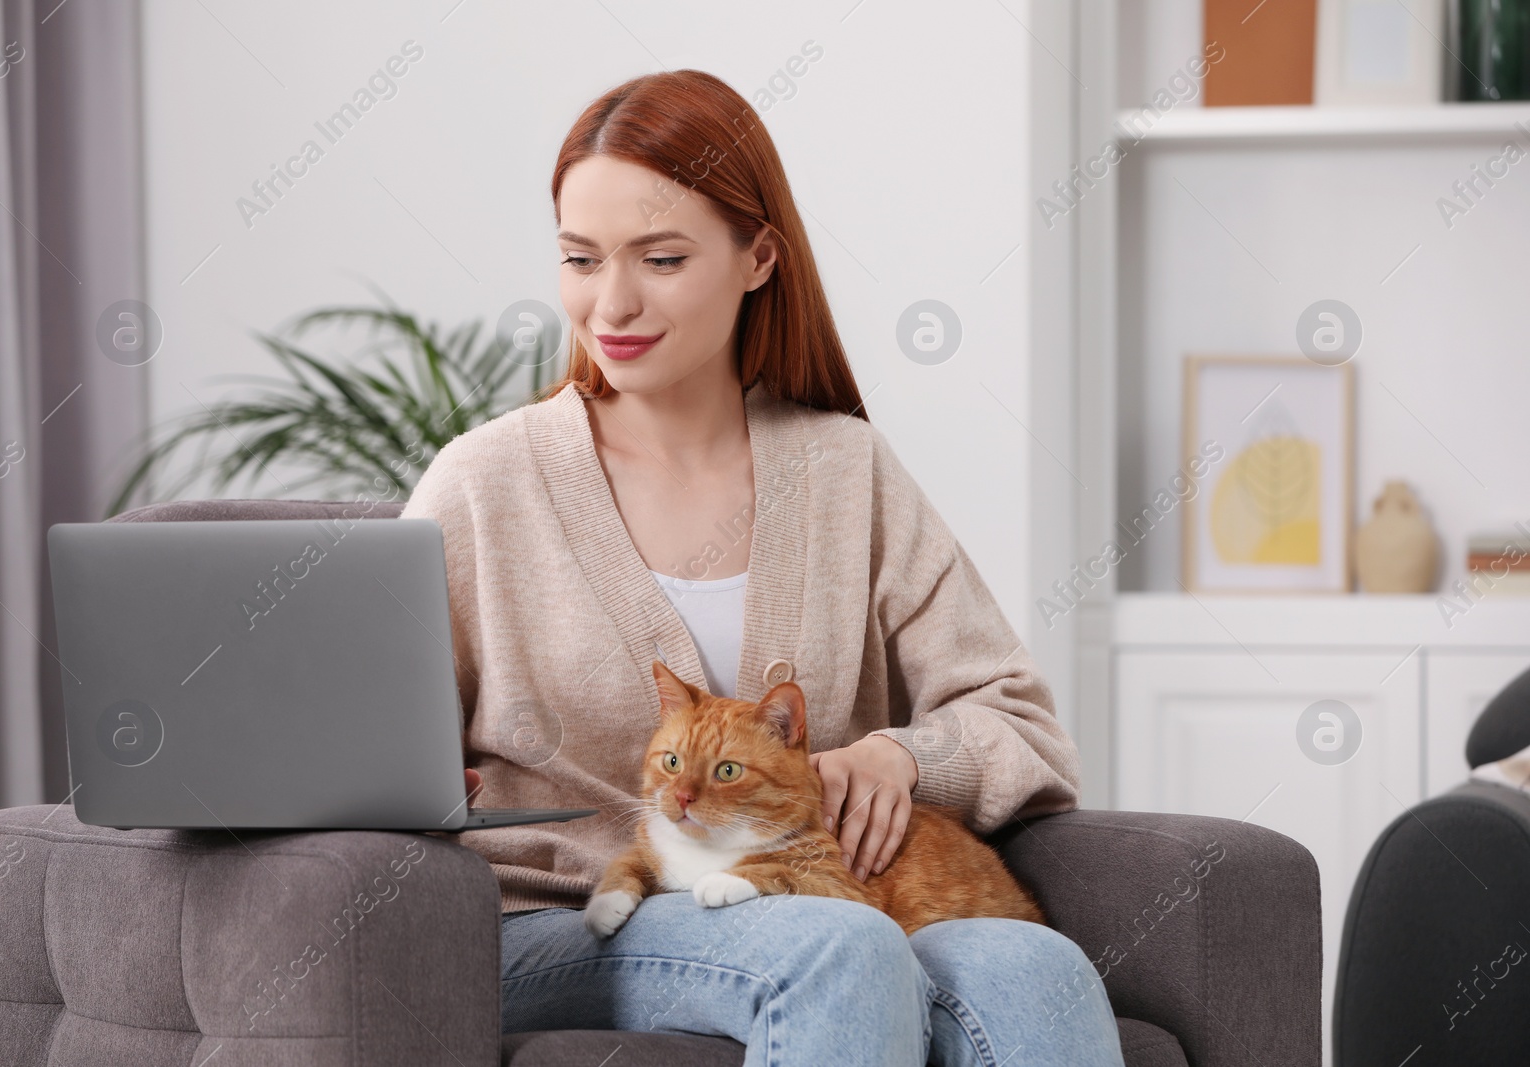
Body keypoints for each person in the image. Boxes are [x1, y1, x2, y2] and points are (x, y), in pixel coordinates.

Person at [400, 69, 1124, 1067]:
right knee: (834, 949)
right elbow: (368, 754)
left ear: (758, 257)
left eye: (660, 257)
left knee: (1032, 967)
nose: (611, 301)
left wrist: (900, 756)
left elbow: (1018, 723)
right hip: (562, 919)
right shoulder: (483, 482)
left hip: (816, 891)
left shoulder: (842, 468)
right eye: (579, 257)